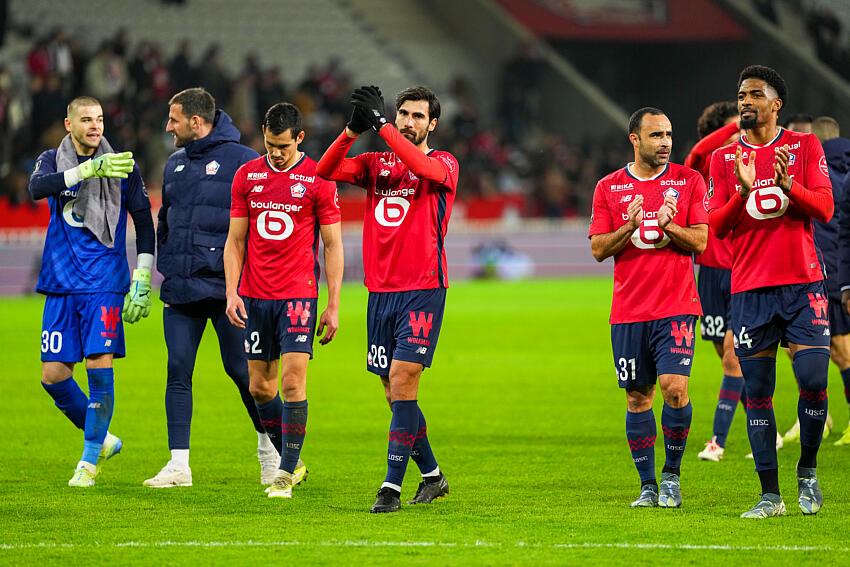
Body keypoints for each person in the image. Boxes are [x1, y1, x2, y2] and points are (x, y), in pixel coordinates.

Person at [316, 85, 456, 513]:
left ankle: (390, 488)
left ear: (432, 124)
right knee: (393, 392)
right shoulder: (376, 164)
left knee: (402, 381)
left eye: (418, 116)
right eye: (403, 114)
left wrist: (380, 126)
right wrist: (351, 130)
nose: (409, 122)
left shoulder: (443, 163)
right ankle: (432, 476)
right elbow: (324, 171)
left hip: (423, 288)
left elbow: (420, 166)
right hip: (380, 292)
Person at [708, 65, 833, 518]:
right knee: (757, 394)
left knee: (814, 381)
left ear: (776, 104)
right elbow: (715, 230)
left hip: (803, 286)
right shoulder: (723, 159)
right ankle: (770, 495)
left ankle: (808, 470)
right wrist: (742, 192)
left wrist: (788, 185)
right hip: (750, 291)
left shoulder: (803, 146)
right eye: (741, 93)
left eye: (755, 94)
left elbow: (824, 207)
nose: (745, 101)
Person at [143, 88, 271, 488]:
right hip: (181, 289)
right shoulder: (175, 164)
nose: (168, 127)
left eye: (174, 120)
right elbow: (166, 221)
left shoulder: (246, 163)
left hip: (226, 289)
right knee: (177, 370)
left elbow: (263, 226)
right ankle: (178, 466)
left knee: (244, 374)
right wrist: (166, 264)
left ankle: (273, 452)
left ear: (196, 122)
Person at [28, 95, 154, 486]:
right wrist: (84, 171)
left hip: (103, 281)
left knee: (100, 364)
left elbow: (144, 223)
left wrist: (143, 277)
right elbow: (36, 189)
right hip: (61, 283)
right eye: (86, 119)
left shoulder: (122, 167)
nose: (95, 126)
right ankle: (100, 438)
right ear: (70, 125)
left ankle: (87, 462)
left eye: (99, 119)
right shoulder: (52, 159)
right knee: (53, 376)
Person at [589, 107, 707, 509]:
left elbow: (702, 242)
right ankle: (647, 485)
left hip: (676, 304)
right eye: (656, 135)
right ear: (634, 140)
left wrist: (669, 224)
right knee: (638, 398)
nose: (666, 143)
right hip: (628, 310)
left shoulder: (689, 181)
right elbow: (598, 249)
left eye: (669, 135)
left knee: (675, 390)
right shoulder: (608, 187)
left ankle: (671, 477)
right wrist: (630, 226)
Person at [224, 102, 343, 499]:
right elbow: (236, 240)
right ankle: (292, 460)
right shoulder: (247, 175)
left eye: (283, 146)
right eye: (270, 144)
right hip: (255, 296)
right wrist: (231, 291)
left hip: (298, 296)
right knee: (260, 386)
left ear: (300, 139)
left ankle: (285, 472)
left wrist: (333, 304)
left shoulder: (319, 178)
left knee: (292, 383)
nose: (276, 152)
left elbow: (332, 245)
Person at [685, 102, 751, 462]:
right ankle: (763, 425)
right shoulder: (701, 172)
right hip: (709, 274)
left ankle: (718, 442)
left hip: (741, 270)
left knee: (733, 360)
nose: (741, 134)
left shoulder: (749, 167)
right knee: (726, 358)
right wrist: (735, 126)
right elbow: (696, 152)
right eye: (731, 129)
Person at [808, 116, 850, 447]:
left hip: (832, 274)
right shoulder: (844, 172)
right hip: (840, 272)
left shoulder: (822, 177)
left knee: (842, 351)